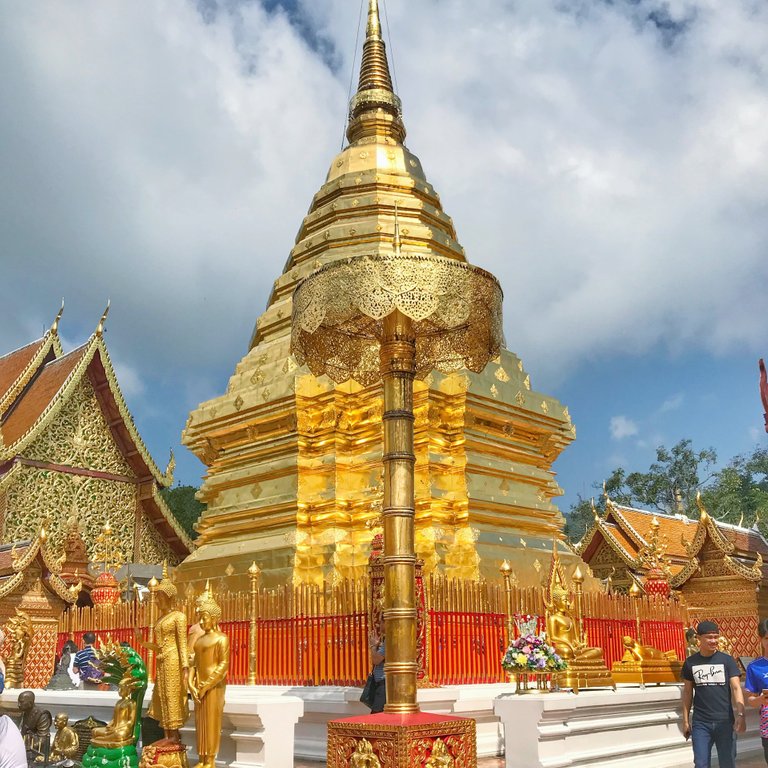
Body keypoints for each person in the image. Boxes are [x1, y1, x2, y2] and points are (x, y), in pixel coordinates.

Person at [681, 620, 745, 768]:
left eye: (716, 637)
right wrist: (685, 721)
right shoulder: (691, 663)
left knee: (727, 762)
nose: (713, 641)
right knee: (701, 763)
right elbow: (687, 693)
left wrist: (741, 715)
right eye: (709, 637)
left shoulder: (727, 661)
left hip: (725, 721)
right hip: (701, 723)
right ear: (699, 638)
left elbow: (736, 688)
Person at [188, 584, 230, 768]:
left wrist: (207, 684)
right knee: (201, 723)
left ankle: (211, 760)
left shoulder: (222, 638)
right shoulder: (199, 641)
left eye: (204, 618)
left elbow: (223, 665)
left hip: (214, 686)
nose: (202, 622)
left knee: (212, 722)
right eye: (200, 618)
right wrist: (191, 683)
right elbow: (194, 664)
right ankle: (202, 758)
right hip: (198, 686)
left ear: (214, 618)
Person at [745, 618, 768, 764]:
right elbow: (751, 701)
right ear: (761, 639)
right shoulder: (754, 667)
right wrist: (761, 699)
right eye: (767, 638)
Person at [368, 616, 386, 714]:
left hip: (384, 684)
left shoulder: (389, 641)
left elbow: (376, 660)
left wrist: (373, 646)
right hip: (382, 683)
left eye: (382, 623)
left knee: (375, 716)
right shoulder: (386, 640)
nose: (380, 625)